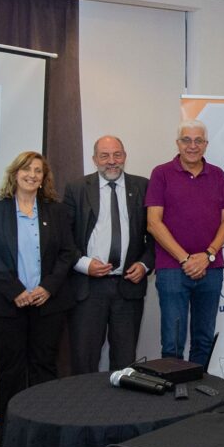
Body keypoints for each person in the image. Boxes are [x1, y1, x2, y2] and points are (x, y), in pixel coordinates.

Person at [0, 151, 76, 447]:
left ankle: (47, 438)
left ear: (44, 178)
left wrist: (48, 287)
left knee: (44, 369)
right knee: (11, 372)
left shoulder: (56, 212)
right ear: (15, 174)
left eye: (38, 171)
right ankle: (9, 442)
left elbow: (68, 253)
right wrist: (16, 291)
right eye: (26, 169)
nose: (32, 175)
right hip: (5, 306)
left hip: (48, 303)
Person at [63, 135, 155, 374]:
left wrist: (144, 265)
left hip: (128, 287)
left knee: (125, 363)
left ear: (125, 156)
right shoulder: (76, 189)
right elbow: (64, 239)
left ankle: (121, 400)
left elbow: (156, 234)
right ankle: (86, 401)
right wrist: (84, 264)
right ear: (94, 159)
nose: (112, 161)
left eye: (117, 155)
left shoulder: (143, 186)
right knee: (84, 361)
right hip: (88, 288)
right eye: (104, 156)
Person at [145, 119, 224, 366]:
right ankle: (174, 390)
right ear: (178, 143)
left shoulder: (217, 175)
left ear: (206, 144)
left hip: (211, 268)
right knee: (172, 342)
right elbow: (153, 223)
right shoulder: (161, 173)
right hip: (172, 270)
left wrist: (208, 255)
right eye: (186, 140)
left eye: (198, 140)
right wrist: (186, 259)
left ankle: (199, 388)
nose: (192, 146)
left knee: (204, 339)